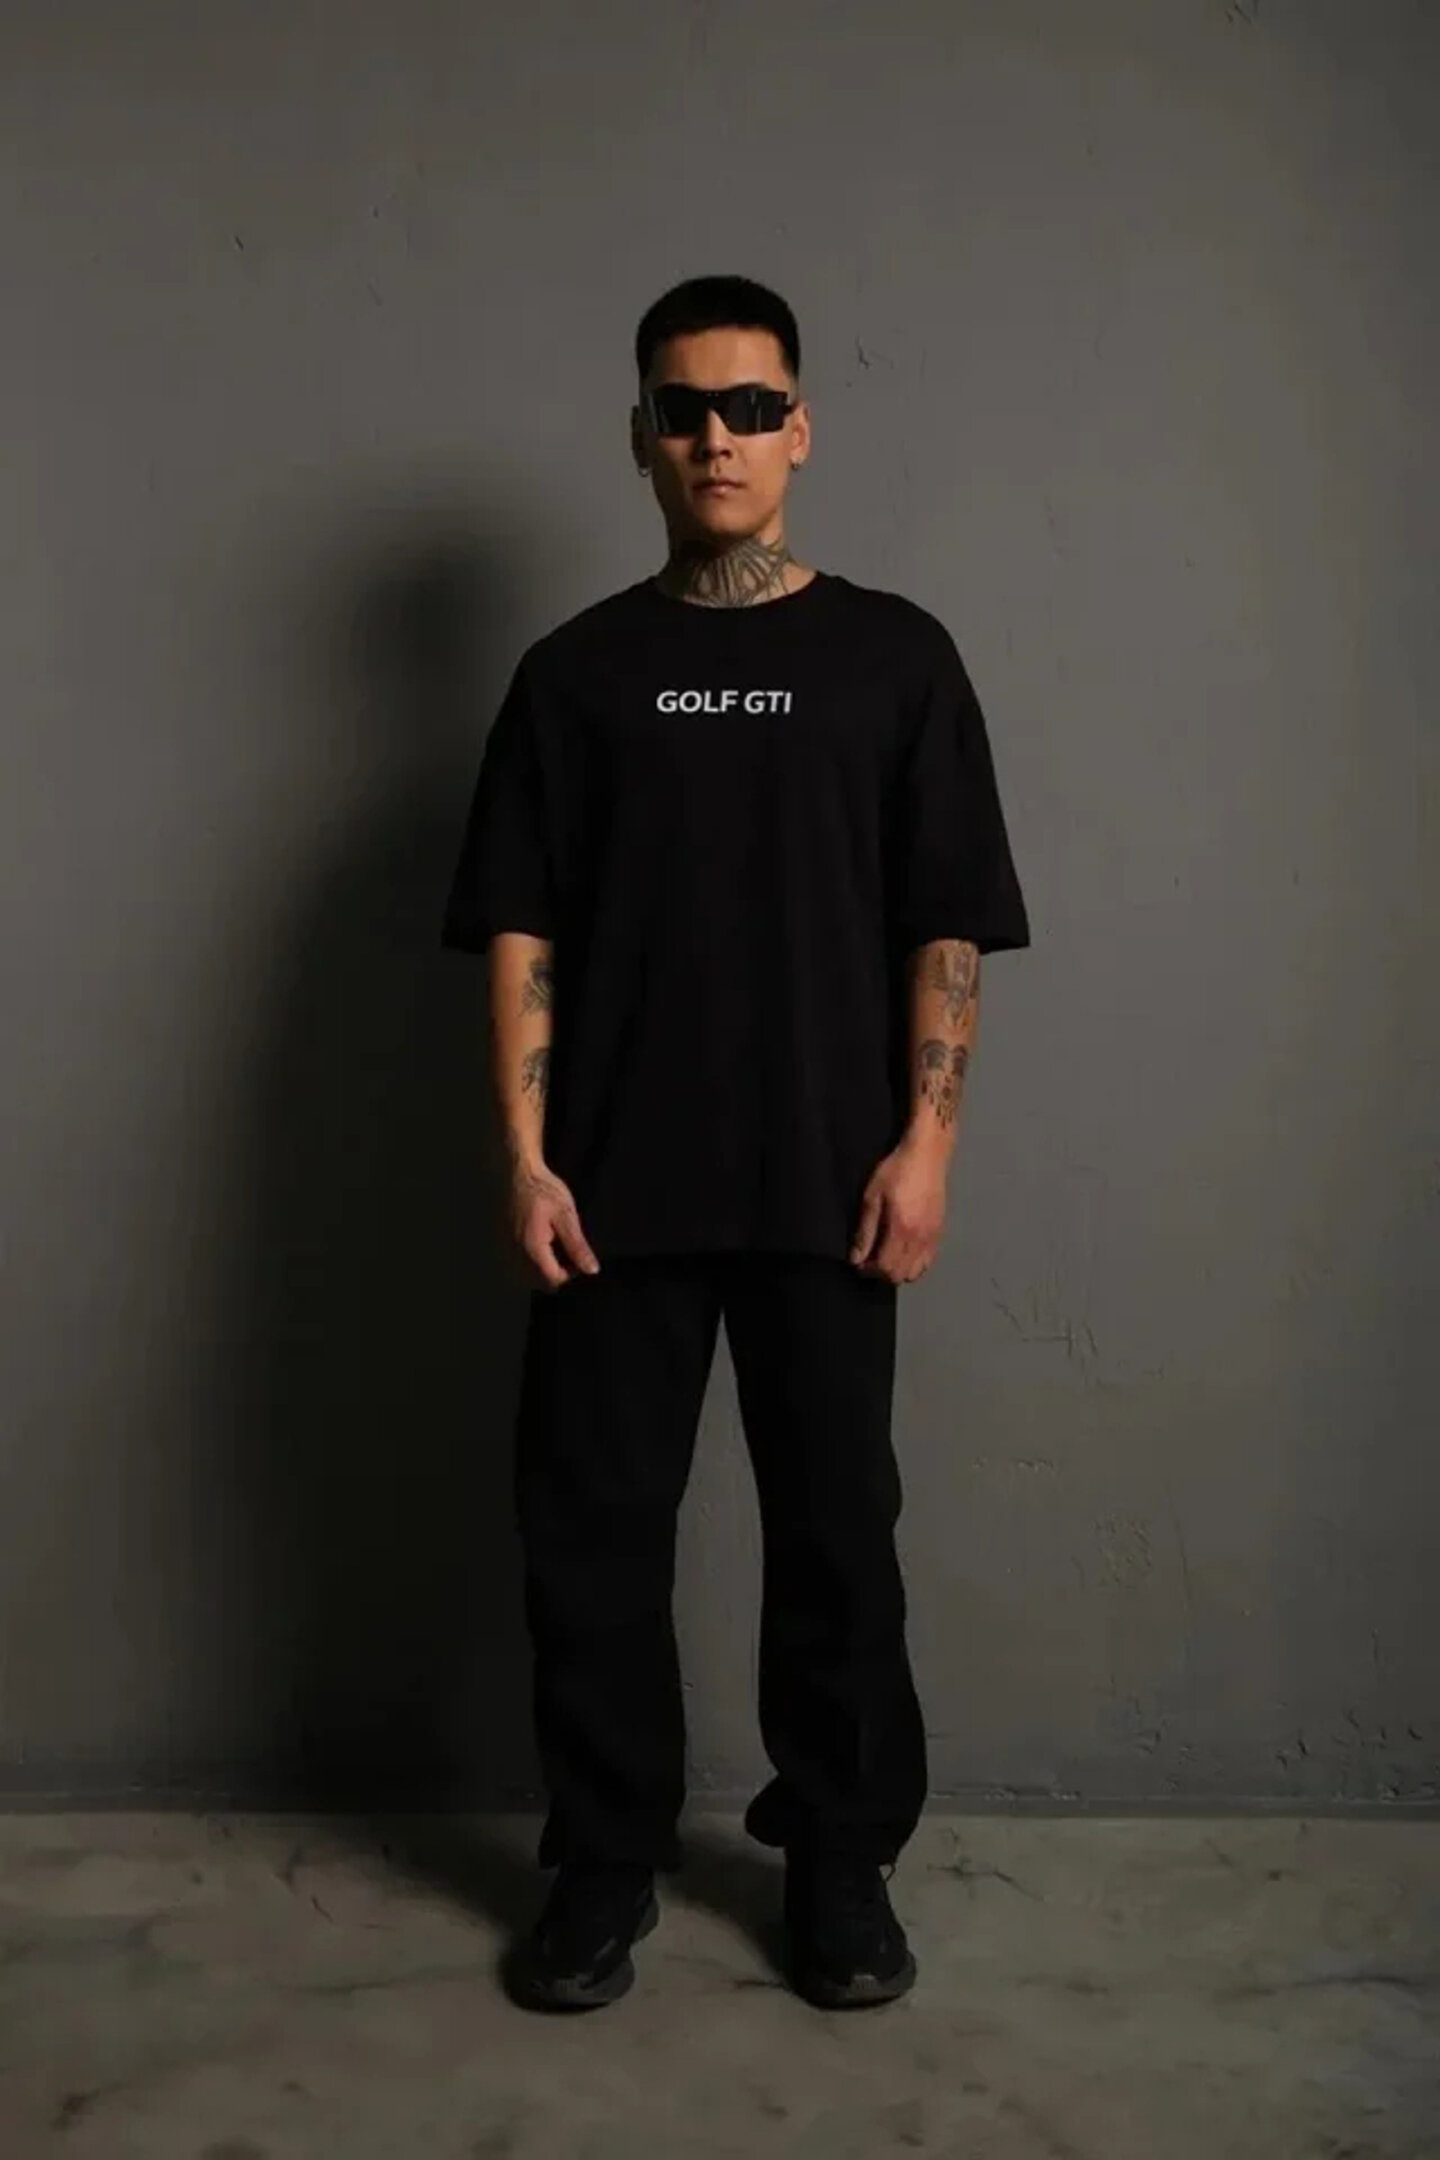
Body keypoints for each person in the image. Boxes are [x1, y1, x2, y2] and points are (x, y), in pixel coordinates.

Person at [440, 274, 1030, 2012]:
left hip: (830, 1179)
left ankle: (841, 1861)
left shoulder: (896, 658)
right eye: (686, 410)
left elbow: (944, 925)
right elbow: (523, 932)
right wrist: (525, 1158)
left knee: (839, 1532)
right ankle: (605, 1860)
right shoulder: (575, 675)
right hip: (613, 1187)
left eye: (753, 406)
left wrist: (927, 1148)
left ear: (802, 429)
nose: (720, 438)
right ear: (640, 436)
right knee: (591, 1533)